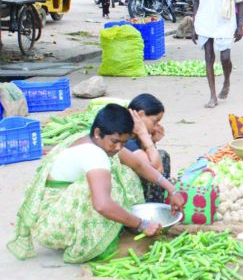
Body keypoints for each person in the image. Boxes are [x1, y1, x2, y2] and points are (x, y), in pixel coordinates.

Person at [6, 104, 185, 263]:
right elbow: (102, 205)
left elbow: (138, 164)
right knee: (110, 186)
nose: (118, 148)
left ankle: (112, 228)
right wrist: (141, 224)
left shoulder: (96, 141)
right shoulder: (94, 154)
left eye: (123, 143)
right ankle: (90, 244)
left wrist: (172, 189)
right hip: (54, 223)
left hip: (54, 210)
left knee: (122, 170)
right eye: (115, 142)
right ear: (98, 132)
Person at [191, 0, 243, 109]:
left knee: (225, 58)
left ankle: (227, 81)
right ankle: (212, 96)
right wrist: (194, 24)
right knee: (208, 57)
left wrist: (240, 25)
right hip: (205, 20)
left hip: (226, 21)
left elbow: (240, 1)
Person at [125, 94, 171, 203]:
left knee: (162, 155)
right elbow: (156, 170)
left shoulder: (135, 133)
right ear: (140, 115)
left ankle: (158, 202)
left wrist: (153, 141)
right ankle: (151, 205)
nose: (156, 127)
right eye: (155, 122)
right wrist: (145, 135)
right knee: (159, 161)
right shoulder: (125, 136)